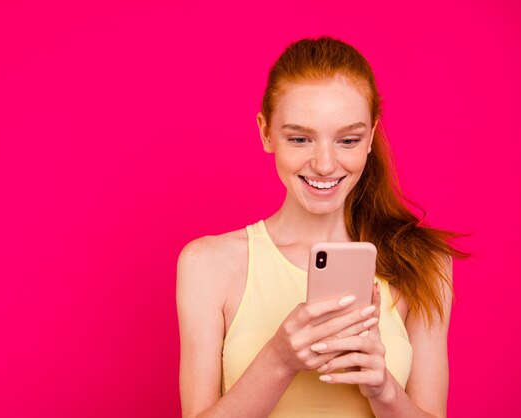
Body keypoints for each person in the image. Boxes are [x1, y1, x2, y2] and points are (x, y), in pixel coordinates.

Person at [176, 36, 468, 418]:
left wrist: (382, 389)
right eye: (300, 138)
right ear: (266, 132)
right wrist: (279, 359)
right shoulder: (207, 265)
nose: (326, 165)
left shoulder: (424, 263)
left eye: (348, 139)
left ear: (370, 138)